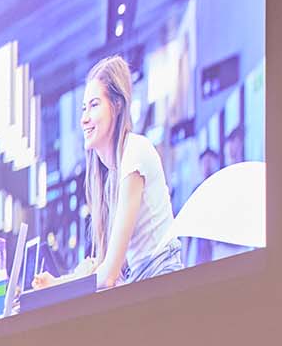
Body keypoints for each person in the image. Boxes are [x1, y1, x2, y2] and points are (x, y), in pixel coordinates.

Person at [34, 55, 181, 292]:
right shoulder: (112, 172)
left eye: (93, 105)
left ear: (117, 105)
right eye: (83, 108)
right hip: (146, 280)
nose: (84, 119)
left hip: (162, 280)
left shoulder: (135, 152)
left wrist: (58, 285)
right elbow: (112, 268)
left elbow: (109, 274)